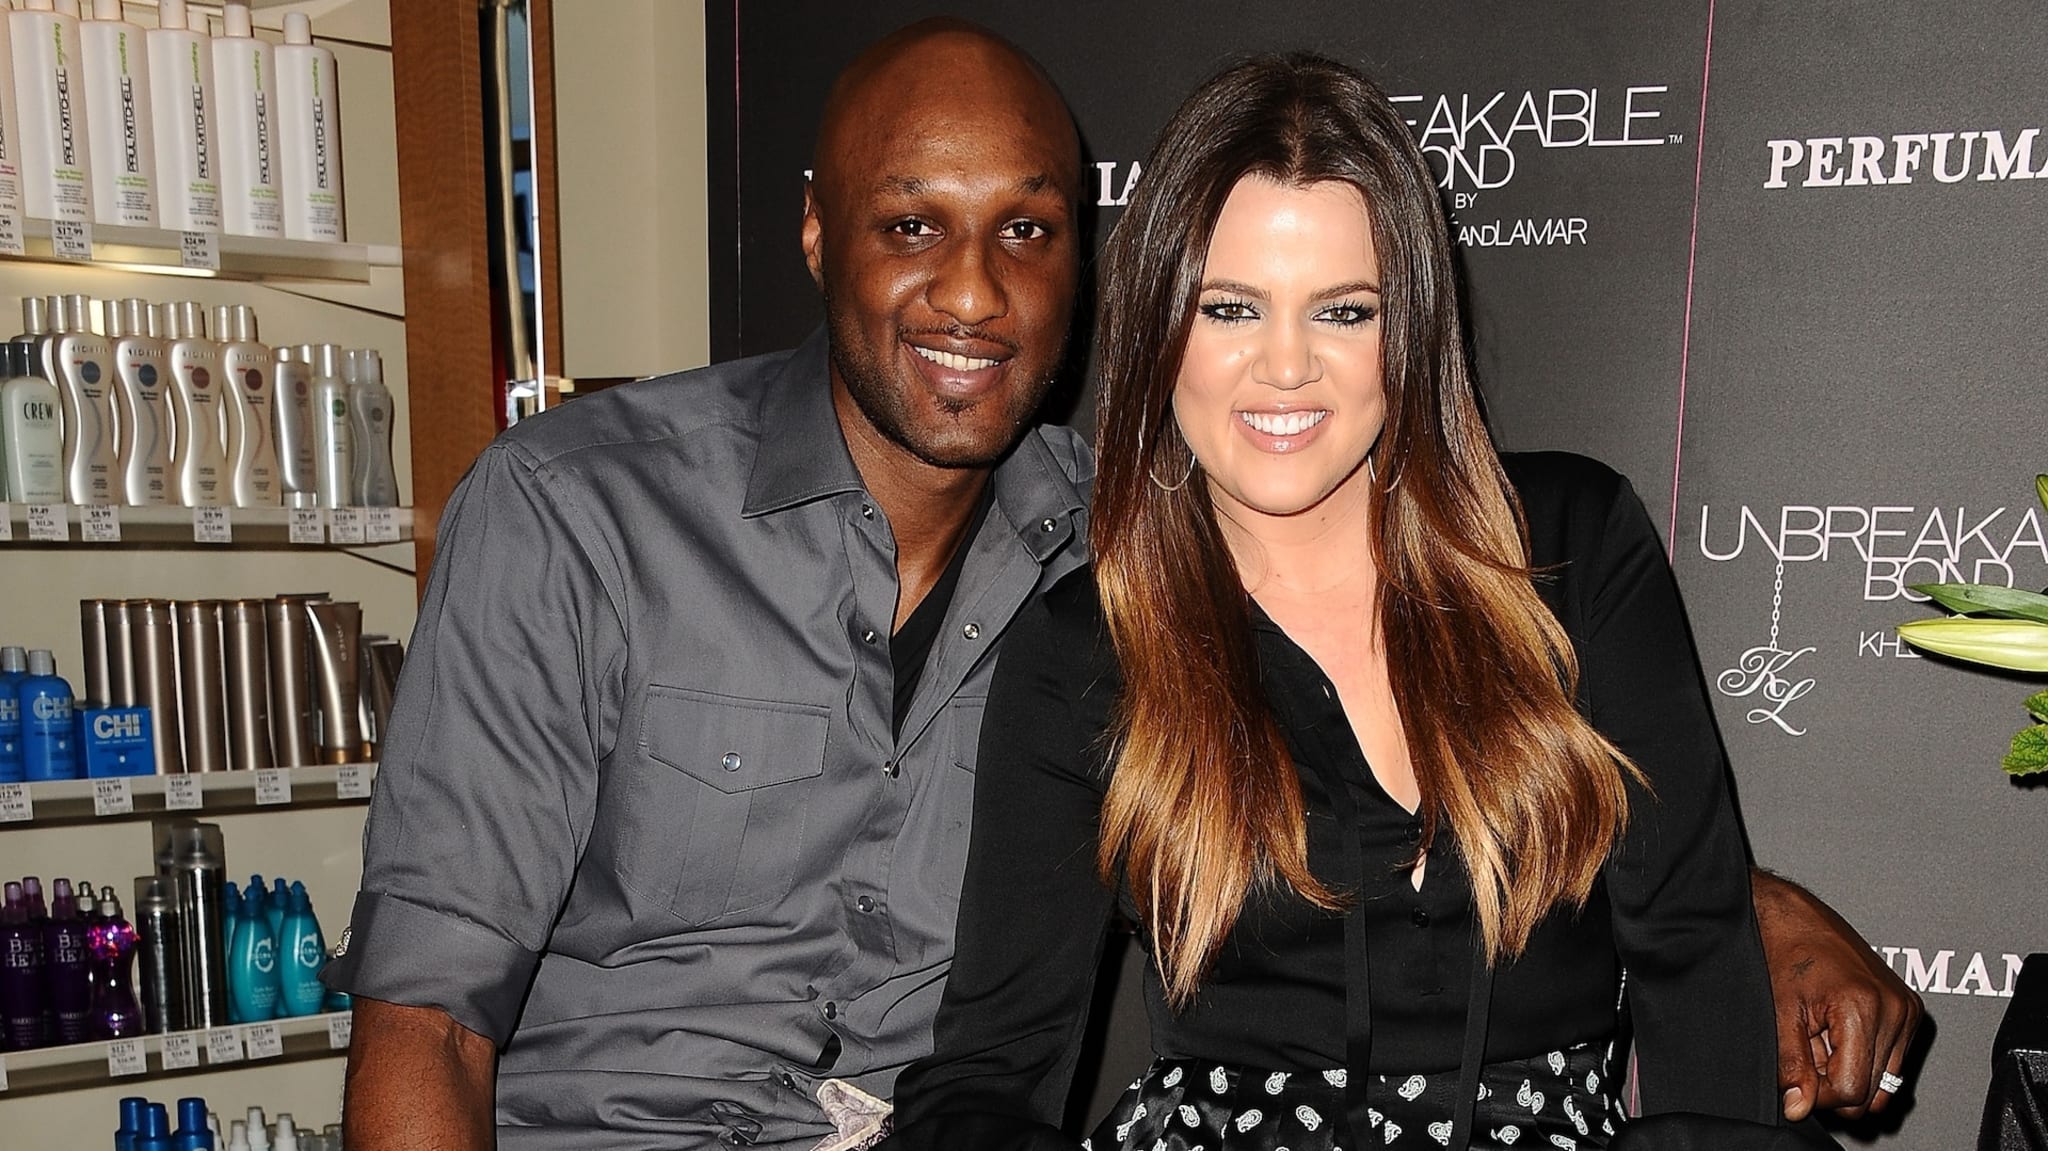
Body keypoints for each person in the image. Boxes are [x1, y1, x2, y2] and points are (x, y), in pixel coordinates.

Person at [325, 21, 1914, 1151]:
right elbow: (429, 1017)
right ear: (816, 236)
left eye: (1024, 228)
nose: (969, 288)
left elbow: (1556, 804)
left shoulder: (1111, 530)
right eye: (909, 226)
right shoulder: (589, 510)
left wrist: (1752, 905)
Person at [883, 53, 1891, 1151]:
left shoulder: (1568, 546)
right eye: (1228, 307)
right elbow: (994, 1065)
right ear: (1160, 325)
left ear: (1406, 327)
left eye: (1341, 310)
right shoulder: (1086, 646)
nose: (1282, 367)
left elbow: (1692, 949)